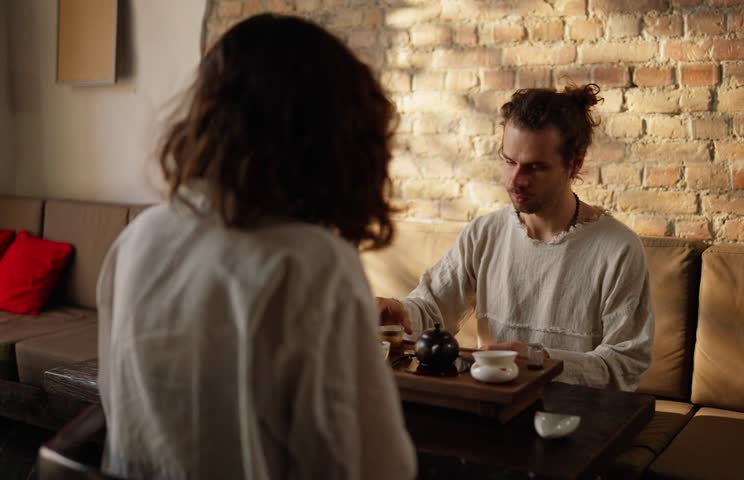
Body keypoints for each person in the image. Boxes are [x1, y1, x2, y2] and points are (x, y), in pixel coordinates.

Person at [97, 14, 416, 479]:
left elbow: (119, 411)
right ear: (330, 137)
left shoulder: (139, 238)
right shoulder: (312, 264)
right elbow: (376, 467)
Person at [378, 84, 654, 391]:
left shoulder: (618, 249)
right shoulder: (484, 235)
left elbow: (624, 365)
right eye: (509, 161)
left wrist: (539, 361)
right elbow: (432, 309)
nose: (516, 180)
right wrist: (400, 311)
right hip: (495, 407)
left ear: (574, 164)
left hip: (579, 413)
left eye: (535, 167)